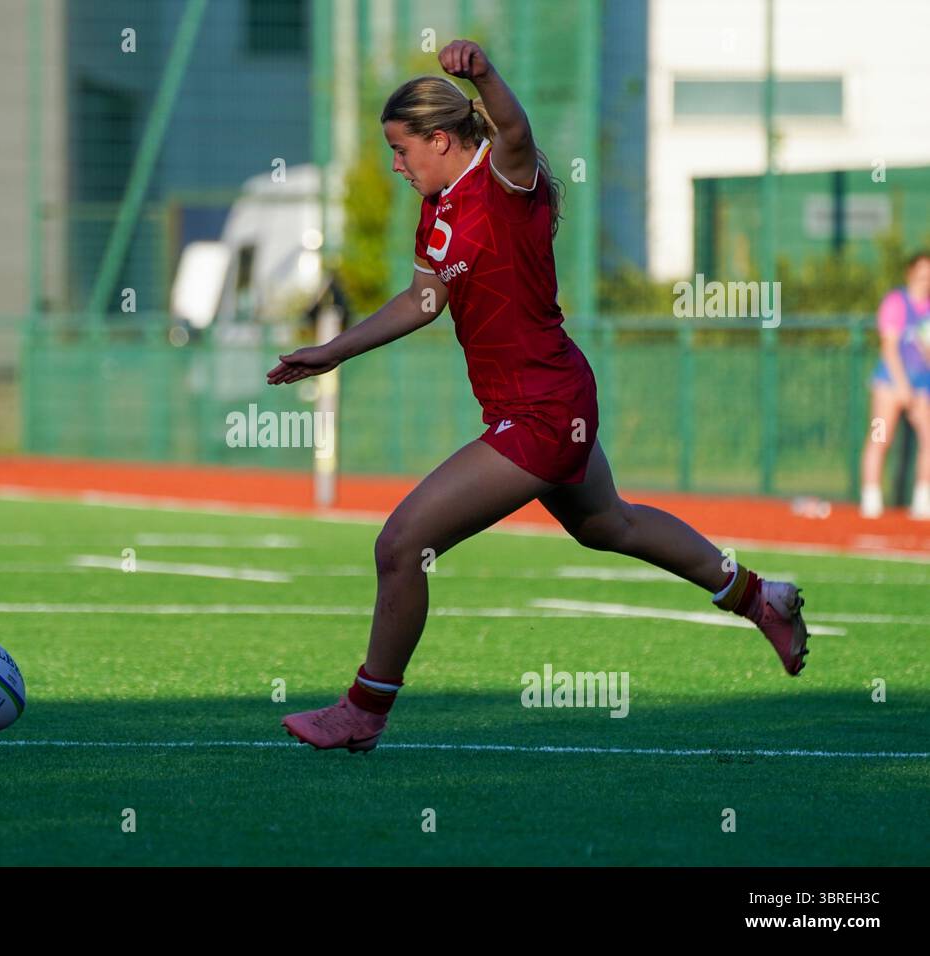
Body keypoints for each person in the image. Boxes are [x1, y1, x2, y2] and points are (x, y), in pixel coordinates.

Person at [265, 40, 810, 754]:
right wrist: (333, 351)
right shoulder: (436, 210)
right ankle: (762, 598)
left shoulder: (503, 179)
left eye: (401, 150)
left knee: (401, 544)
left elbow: (516, 132)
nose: (396, 165)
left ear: (440, 139)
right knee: (610, 525)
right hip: (537, 402)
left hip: (543, 411)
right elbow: (423, 301)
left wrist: (483, 73)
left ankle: (364, 711)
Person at [859, 251, 930, 519]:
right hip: (889, 384)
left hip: (921, 384)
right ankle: (871, 497)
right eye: (921, 273)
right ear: (910, 273)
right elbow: (889, 348)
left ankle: (923, 500)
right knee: (880, 437)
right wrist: (902, 386)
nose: (926, 279)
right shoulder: (896, 302)